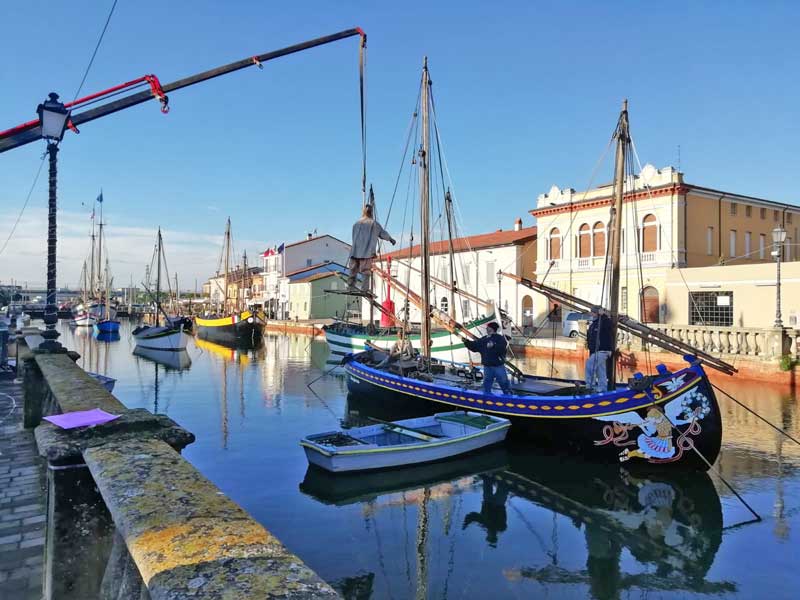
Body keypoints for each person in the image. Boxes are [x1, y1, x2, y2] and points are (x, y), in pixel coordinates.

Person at [347, 204, 396, 293]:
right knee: (365, 271)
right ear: (371, 212)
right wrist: (390, 239)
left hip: (355, 251)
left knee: (353, 270)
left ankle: (350, 286)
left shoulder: (356, 224)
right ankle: (364, 289)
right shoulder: (373, 223)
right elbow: (382, 233)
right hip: (366, 252)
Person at [462, 322, 512, 395]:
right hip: (487, 367)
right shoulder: (484, 339)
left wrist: (494, 345)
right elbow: (475, 346)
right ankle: (487, 397)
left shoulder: (500, 338)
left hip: (498, 366)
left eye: (487, 327)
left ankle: (508, 397)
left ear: (491, 328)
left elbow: (502, 348)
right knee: (487, 384)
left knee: (504, 383)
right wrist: (466, 342)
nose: (486, 328)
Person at [585, 307, 614, 392]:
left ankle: (590, 386)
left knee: (590, 365)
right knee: (600, 370)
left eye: (593, 312)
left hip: (603, 350)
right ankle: (603, 388)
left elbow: (609, 324)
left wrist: (603, 315)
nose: (591, 314)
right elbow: (591, 339)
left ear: (597, 313)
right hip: (595, 351)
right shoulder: (593, 324)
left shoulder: (604, 322)